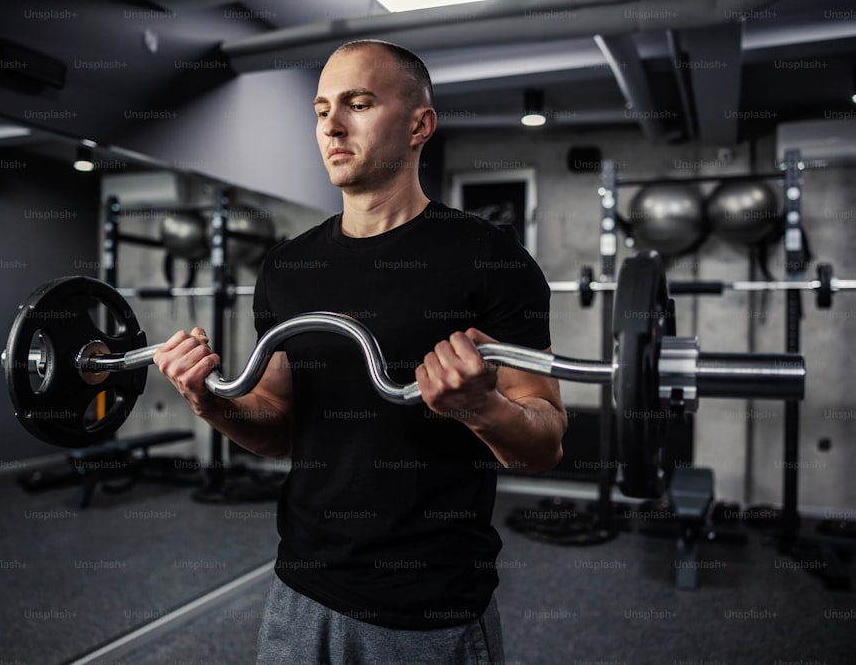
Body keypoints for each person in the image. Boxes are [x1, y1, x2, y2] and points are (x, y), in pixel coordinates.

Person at [154, 39, 567, 664]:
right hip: (300, 589)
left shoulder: (490, 255)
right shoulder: (289, 267)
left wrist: (482, 409)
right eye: (321, 110)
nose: (332, 126)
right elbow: (279, 427)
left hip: (428, 607)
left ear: (419, 125)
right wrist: (210, 402)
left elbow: (546, 440)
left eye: (359, 103)